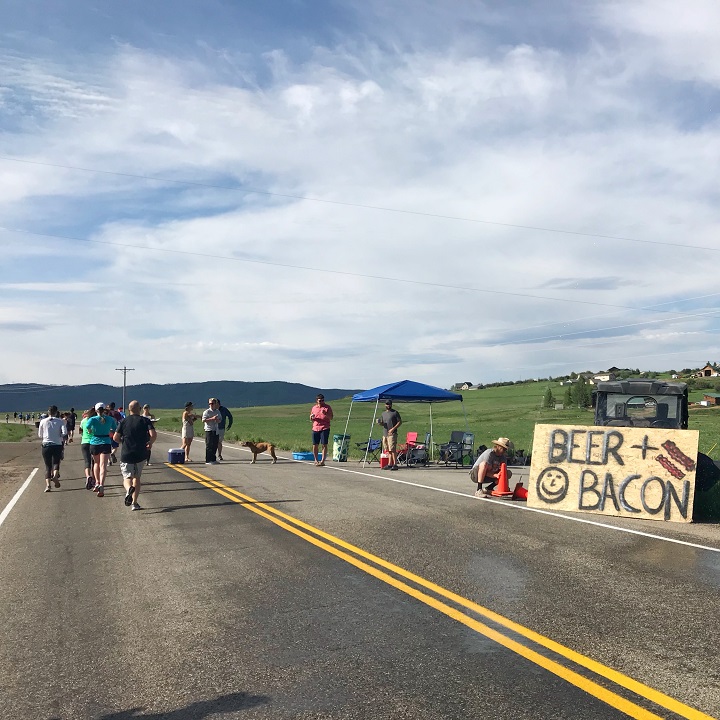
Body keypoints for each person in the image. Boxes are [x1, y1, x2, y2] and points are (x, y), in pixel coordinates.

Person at [113, 400, 157, 511]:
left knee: (127, 477)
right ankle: (134, 503)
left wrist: (123, 440)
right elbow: (153, 434)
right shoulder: (145, 421)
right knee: (137, 478)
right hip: (141, 453)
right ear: (140, 408)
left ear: (129, 409)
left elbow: (115, 437)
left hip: (127, 453)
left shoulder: (123, 421)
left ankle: (128, 490)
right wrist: (150, 443)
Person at [84, 403, 118, 497]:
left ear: (96, 410)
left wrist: (90, 431)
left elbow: (87, 427)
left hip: (95, 442)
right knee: (103, 465)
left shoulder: (93, 419)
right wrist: (110, 432)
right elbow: (115, 429)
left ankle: (97, 482)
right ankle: (102, 484)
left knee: (96, 464)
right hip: (106, 442)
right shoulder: (110, 419)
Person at [38, 405, 67, 492]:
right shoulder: (60, 421)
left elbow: (40, 435)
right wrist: (59, 436)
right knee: (56, 462)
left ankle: (48, 485)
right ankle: (55, 476)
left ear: (48, 412)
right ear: (56, 412)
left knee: (47, 466)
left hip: (46, 444)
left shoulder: (43, 421)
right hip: (57, 444)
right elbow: (64, 432)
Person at [377, 399, 402, 470]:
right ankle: (389, 464)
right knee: (388, 449)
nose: (388, 405)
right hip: (385, 433)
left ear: (391, 405)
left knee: (392, 449)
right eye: (387, 404)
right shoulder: (383, 414)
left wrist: (393, 429)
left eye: (389, 404)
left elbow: (399, 422)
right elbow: (383, 423)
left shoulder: (395, 413)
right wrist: (380, 423)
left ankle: (395, 464)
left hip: (392, 433)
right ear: (385, 405)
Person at [310, 394, 334, 466]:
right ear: (317, 401)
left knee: (324, 444)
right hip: (315, 427)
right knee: (315, 444)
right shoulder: (314, 408)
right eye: (320, 401)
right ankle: (316, 460)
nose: (321, 402)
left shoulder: (327, 407)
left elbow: (331, 417)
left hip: (324, 427)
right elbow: (311, 418)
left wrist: (325, 414)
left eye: (323, 400)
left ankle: (323, 460)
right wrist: (311, 417)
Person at [79, 407, 97, 489]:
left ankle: (88, 476)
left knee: (87, 461)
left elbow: (80, 431)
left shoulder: (83, 421)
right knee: (94, 462)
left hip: (84, 442)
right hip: (94, 442)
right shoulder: (95, 420)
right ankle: (94, 479)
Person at [202, 398, 222, 464]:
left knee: (215, 445)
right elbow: (203, 420)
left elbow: (220, 420)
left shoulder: (217, 411)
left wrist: (217, 420)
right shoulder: (207, 412)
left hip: (216, 429)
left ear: (215, 404)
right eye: (210, 403)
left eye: (212, 403)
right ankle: (208, 459)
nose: (211, 405)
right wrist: (212, 419)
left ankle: (213, 459)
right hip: (209, 430)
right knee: (209, 445)